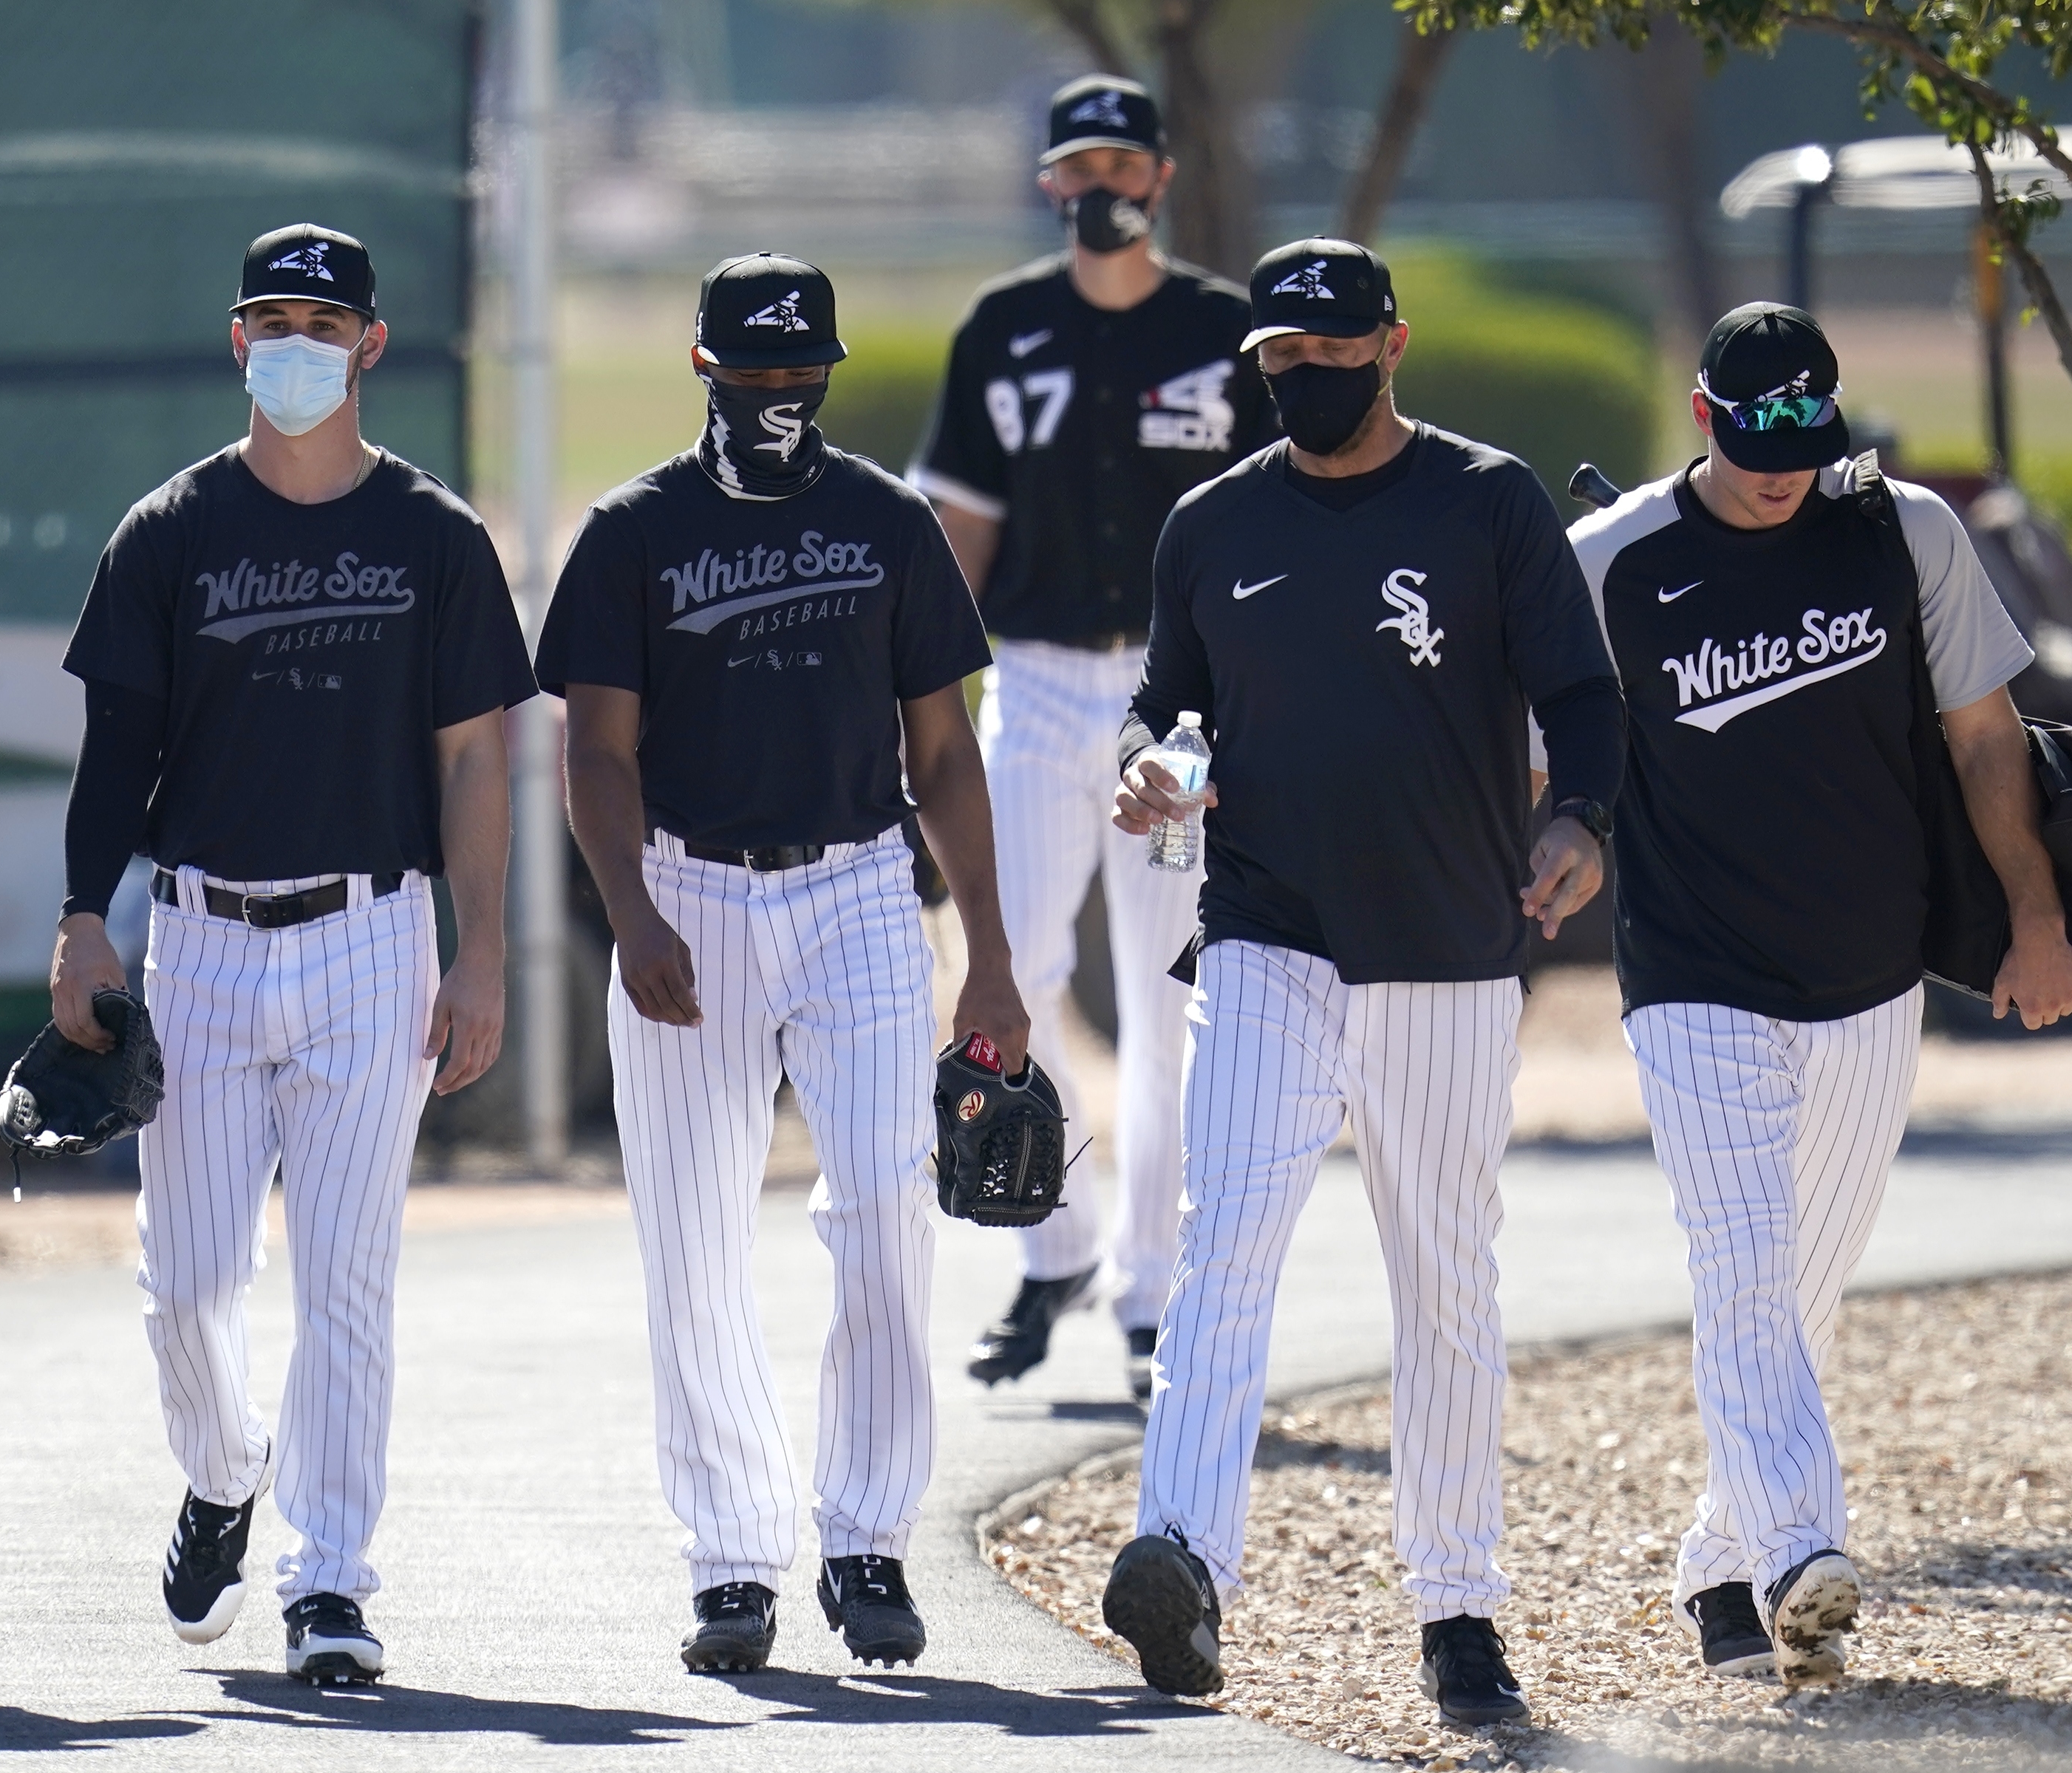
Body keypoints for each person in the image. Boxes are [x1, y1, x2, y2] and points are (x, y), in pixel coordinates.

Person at [1097, 238, 1625, 1726]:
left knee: (1444, 1280)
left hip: (1453, 944)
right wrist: (1154, 765)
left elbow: (1583, 701)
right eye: (1280, 362)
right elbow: (1168, 697)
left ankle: (1458, 1610)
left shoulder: (1490, 503)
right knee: (1225, 1244)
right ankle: (1185, 1563)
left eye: (1332, 358)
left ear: (1392, 347)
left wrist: (1579, 822)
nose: (1305, 383)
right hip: (1267, 928)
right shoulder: (1210, 523)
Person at [50, 225, 536, 1685]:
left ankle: (332, 1581)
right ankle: (222, 1471)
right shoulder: (170, 530)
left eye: (325, 320)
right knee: (187, 1287)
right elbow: (115, 751)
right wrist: (85, 923)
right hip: (196, 938)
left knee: (347, 1281)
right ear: (237, 337)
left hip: (371, 935)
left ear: (372, 345)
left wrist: (484, 952)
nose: (297, 342)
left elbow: (474, 761)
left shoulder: (435, 537)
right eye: (272, 316)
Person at [1565, 302, 2072, 1686]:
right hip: (1691, 972)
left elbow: (1986, 742)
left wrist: (2038, 917)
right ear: (1701, 417)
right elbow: (1532, 735)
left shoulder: (1905, 532)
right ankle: (1801, 1554)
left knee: (1803, 1291)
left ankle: (1718, 1571)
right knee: (1740, 1266)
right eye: (1751, 438)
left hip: (1869, 972)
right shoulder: (1610, 561)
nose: (1779, 465)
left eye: (1804, 436)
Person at [535, 253, 1027, 1674]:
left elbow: (942, 753)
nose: (776, 397)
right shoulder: (635, 530)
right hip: (690, 891)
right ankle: (735, 1560)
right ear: (703, 368)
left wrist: (987, 958)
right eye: (751, 375)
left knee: (883, 1207)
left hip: (863, 889)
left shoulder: (886, 522)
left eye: (798, 373)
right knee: (690, 1240)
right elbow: (598, 749)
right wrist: (630, 910)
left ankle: (866, 1540)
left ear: (829, 370)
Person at [911, 74, 1275, 1401]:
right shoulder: (1003, 329)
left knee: (1169, 992)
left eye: (1126, 163)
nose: (1104, 186)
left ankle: (1150, 1292)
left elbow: (1270, 519)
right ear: (1051, 183)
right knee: (1009, 958)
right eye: (1081, 167)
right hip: (1045, 681)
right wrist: (917, 697)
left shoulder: (1227, 332)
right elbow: (959, 530)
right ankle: (1057, 1243)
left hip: (1181, 702)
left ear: (1163, 179)